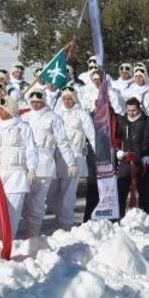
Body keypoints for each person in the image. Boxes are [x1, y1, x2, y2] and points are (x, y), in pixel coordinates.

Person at [22, 89, 77, 236]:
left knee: (38, 200)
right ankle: (28, 230)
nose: (35, 105)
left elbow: (62, 142)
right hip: (26, 163)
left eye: (38, 102)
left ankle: (34, 234)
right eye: (32, 102)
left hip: (45, 161)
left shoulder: (53, 118)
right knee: (27, 200)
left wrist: (70, 163)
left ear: (44, 101)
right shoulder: (25, 117)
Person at [0, 96, 40, 238]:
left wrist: (32, 168)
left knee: (12, 213)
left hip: (17, 176)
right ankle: (2, 234)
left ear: (10, 111)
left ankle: (6, 244)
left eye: (2, 109)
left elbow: (31, 149)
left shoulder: (23, 128)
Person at [53, 87, 96, 226]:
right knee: (54, 193)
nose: (67, 101)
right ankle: (60, 219)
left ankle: (66, 223)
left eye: (70, 98)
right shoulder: (56, 113)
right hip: (57, 157)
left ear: (75, 99)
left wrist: (100, 156)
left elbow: (92, 136)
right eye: (64, 98)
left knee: (68, 193)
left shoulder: (82, 114)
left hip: (76, 156)